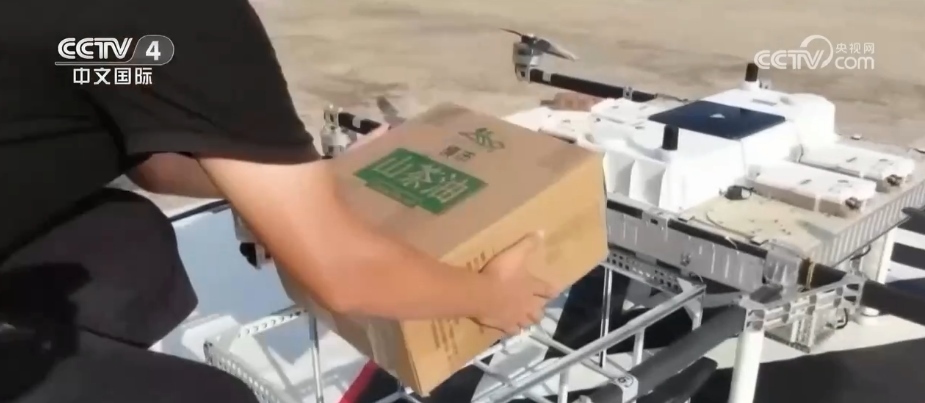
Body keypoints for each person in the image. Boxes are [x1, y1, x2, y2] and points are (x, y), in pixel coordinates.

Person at [0, 0, 555, 401]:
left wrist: (304, 183)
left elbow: (155, 165)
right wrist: (493, 298)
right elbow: (345, 274)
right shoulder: (185, 20)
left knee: (129, 242)